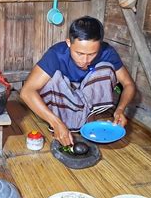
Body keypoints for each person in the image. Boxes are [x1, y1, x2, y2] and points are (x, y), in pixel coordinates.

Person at [20, 16, 136, 146]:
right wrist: (56, 123)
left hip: (87, 100)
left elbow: (128, 84)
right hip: (64, 100)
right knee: (52, 79)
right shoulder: (56, 54)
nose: (85, 60)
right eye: (79, 53)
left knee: (106, 69)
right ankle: (61, 123)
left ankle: (88, 120)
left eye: (92, 54)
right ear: (69, 43)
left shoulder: (107, 52)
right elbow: (26, 91)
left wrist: (120, 109)